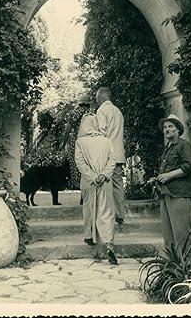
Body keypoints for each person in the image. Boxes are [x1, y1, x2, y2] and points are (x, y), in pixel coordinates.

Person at [148, 114, 191, 249]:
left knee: (181, 232)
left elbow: (189, 166)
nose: (167, 129)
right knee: (168, 233)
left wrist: (169, 175)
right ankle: (173, 265)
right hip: (167, 193)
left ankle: (187, 265)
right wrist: (159, 177)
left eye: (170, 126)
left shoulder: (184, 145)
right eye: (165, 127)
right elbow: (168, 169)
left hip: (179, 193)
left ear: (178, 129)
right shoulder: (168, 147)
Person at [75, 113, 118, 264]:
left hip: (89, 181)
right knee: (106, 211)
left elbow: (80, 163)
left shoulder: (80, 142)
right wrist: (104, 175)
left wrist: (93, 176)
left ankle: (89, 236)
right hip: (105, 181)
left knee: (89, 208)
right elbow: (113, 160)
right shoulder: (106, 141)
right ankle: (109, 245)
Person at [96, 87, 126, 224]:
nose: (96, 101)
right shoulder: (118, 111)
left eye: (97, 98)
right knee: (118, 184)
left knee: (105, 185)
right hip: (118, 153)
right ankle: (120, 214)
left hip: (107, 154)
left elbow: (101, 133)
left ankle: (108, 215)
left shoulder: (102, 110)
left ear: (101, 97)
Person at [61, 94, 94, 191]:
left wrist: (63, 143)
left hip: (76, 141)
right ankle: (87, 186)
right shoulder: (91, 114)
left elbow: (67, 130)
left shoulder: (75, 113)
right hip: (89, 142)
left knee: (76, 163)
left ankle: (77, 184)